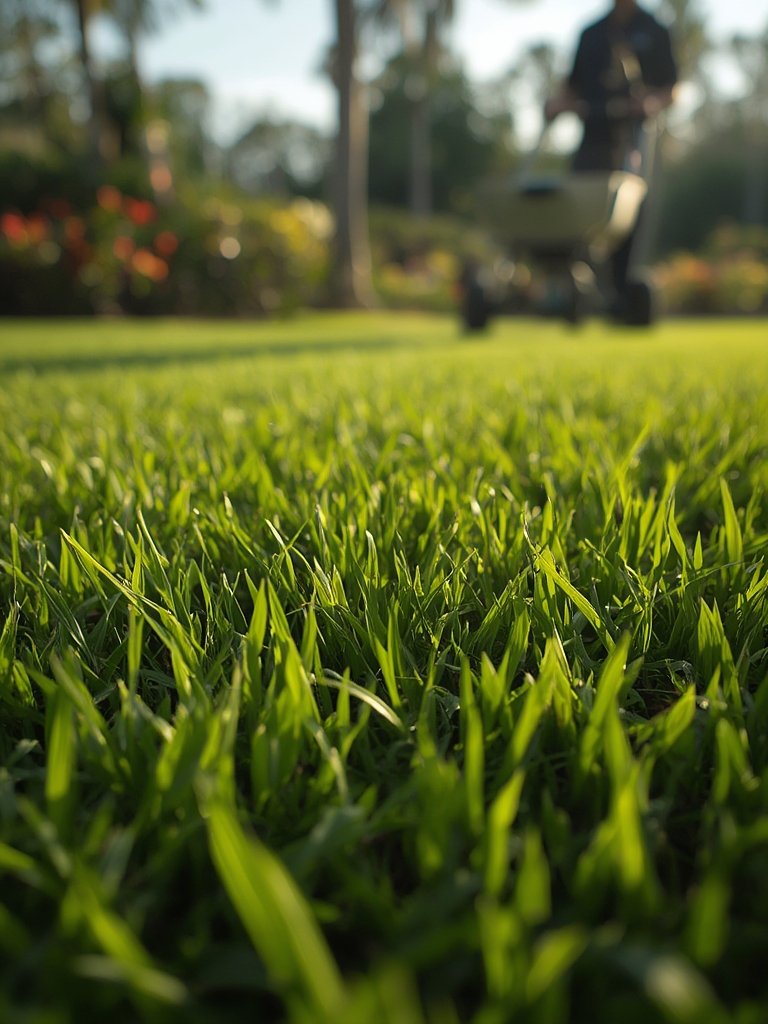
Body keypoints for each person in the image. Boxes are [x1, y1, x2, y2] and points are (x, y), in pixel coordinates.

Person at [545, 0, 678, 312]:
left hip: (633, 139)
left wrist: (651, 103)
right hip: (592, 137)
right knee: (580, 209)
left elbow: (671, 86)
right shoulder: (591, 32)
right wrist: (557, 104)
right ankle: (576, 286)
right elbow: (573, 85)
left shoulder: (654, 29)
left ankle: (623, 294)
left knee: (628, 211)